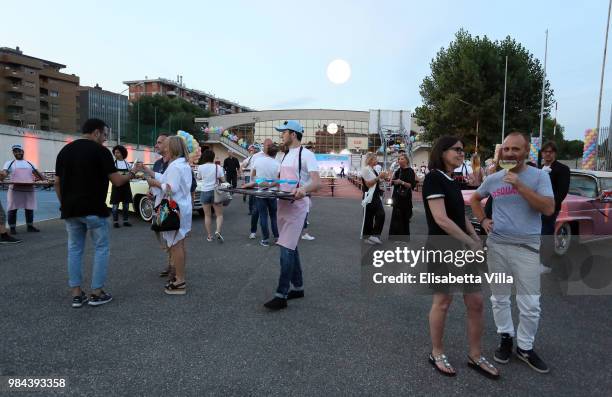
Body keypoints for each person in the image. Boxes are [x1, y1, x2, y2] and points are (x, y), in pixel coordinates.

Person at [470, 132, 555, 374]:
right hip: (497, 247)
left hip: (526, 248)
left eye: (515, 149)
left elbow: (548, 208)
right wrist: (484, 220)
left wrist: (519, 185)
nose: (509, 153)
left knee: (530, 303)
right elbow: (476, 199)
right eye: (506, 149)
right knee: (499, 298)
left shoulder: (539, 177)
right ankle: (506, 337)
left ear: (527, 153)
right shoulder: (494, 178)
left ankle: (525, 347)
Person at [423, 136, 499, 379]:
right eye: (456, 149)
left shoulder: (452, 180)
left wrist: (474, 237)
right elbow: (441, 219)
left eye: (462, 150)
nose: (461, 153)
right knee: (443, 302)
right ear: (442, 151)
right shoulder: (434, 178)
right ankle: (436, 352)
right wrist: (469, 242)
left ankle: (475, 355)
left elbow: (459, 215)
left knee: (475, 302)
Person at [55, 118, 137, 307]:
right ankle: (96, 292)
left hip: (70, 210)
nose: (105, 140)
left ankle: (76, 294)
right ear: (96, 132)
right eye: (105, 135)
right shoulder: (101, 152)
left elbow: (57, 183)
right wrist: (132, 173)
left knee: (74, 250)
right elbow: (117, 181)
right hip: (94, 210)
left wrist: (64, 205)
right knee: (101, 249)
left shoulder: (65, 151)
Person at [263, 120, 319, 311]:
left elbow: (316, 182)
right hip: (283, 204)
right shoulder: (284, 155)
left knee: (286, 248)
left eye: (284, 132)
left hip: (297, 207)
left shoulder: (307, 155)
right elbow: (283, 181)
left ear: (293, 134)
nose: (282, 135)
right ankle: (299, 286)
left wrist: (303, 189)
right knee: (290, 246)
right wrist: (263, 184)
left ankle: (281, 294)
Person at [140, 136, 193, 295]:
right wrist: (150, 172)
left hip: (174, 210)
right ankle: (179, 276)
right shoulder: (181, 164)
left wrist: (153, 183)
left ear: (173, 149)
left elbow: (170, 188)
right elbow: (168, 179)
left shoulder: (175, 167)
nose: (164, 150)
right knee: (180, 244)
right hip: (182, 208)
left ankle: (180, 281)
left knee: (176, 246)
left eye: (166, 147)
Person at [243, 144, 280, 246]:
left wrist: (261, 183)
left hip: (260, 193)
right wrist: (270, 184)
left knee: (263, 216)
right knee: (273, 216)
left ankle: (265, 239)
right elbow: (279, 180)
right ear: (276, 153)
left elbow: (253, 176)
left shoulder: (258, 161)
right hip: (273, 193)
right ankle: (277, 238)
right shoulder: (277, 163)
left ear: (266, 151)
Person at [539, 141, 570, 267]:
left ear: (555, 153)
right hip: (535, 207)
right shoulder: (537, 168)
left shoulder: (562, 169)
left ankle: (545, 264)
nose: (547, 154)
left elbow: (562, 192)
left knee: (546, 233)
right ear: (542, 153)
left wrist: (550, 205)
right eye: (545, 151)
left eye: (550, 152)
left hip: (549, 208)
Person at [2, 144, 44, 234]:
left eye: (19, 151)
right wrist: (2, 175)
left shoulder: (30, 163)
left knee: (29, 208)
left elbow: (39, 175)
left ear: (23, 151)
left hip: (28, 190)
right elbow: (4, 173)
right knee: (12, 209)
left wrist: (43, 179)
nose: (17, 152)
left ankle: (30, 226)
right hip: (15, 191)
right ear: (13, 153)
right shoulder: (9, 163)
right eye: (15, 151)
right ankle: (12, 229)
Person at [197, 150, 226, 243]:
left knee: (207, 215)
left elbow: (199, 177)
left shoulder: (200, 167)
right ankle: (218, 231)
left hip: (205, 191)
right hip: (215, 192)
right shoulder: (218, 167)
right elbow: (223, 180)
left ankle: (209, 236)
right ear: (213, 157)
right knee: (219, 215)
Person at [361, 152, 387, 245]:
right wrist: (379, 177)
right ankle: (371, 236)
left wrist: (383, 178)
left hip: (375, 194)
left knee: (374, 215)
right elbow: (368, 184)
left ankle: (372, 236)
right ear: (370, 160)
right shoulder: (365, 170)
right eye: (375, 158)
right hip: (369, 195)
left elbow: (376, 182)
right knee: (373, 215)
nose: (377, 160)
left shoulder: (373, 169)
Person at [388, 153, 416, 239]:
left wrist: (402, 182)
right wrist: (391, 180)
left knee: (404, 217)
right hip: (397, 196)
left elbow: (411, 185)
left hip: (405, 197)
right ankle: (394, 237)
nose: (400, 160)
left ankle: (403, 238)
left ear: (406, 160)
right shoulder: (398, 170)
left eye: (402, 159)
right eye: (399, 159)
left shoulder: (410, 171)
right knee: (396, 216)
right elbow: (392, 182)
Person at [110, 145, 133, 228]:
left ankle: (125, 221)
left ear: (122, 153)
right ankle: (115, 222)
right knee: (115, 206)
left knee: (126, 205)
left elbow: (132, 174)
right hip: (116, 187)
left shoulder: (128, 164)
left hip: (126, 187)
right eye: (115, 152)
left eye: (118, 152)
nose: (116, 154)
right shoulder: (113, 164)